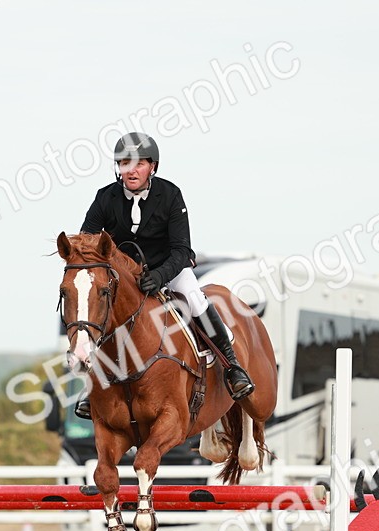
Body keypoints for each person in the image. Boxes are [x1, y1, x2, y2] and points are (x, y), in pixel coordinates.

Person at [73, 132, 253, 420]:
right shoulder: (105, 197)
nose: (131, 170)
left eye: (138, 164)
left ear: (152, 167)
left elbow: (182, 249)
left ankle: (232, 367)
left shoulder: (170, 195)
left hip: (168, 269)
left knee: (195, 300)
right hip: (126, 277)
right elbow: (87, 239)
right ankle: (94, 384)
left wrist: (159, 276)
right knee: (104, 314)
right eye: (124, 164)